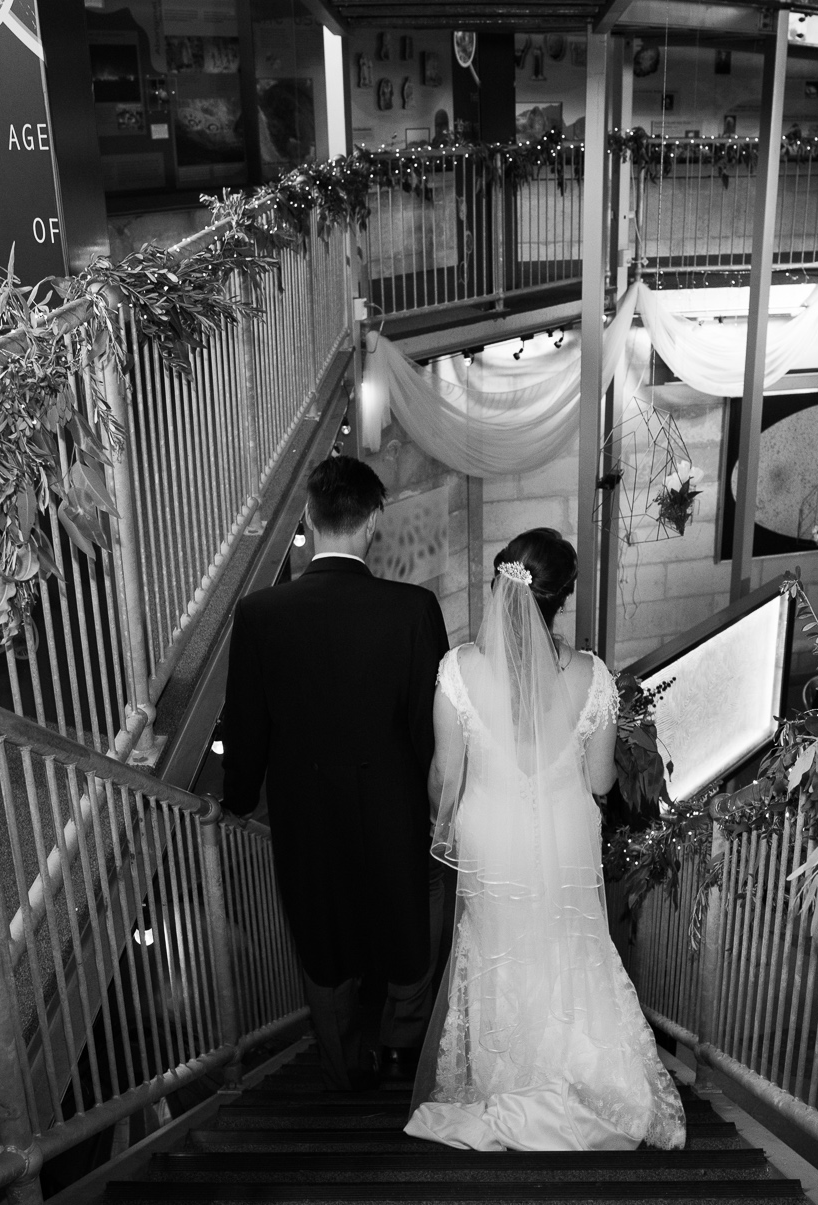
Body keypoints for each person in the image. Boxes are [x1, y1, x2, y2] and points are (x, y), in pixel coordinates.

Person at [405, 530, 686, 1153]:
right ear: (564, 597)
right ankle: (579, 1076)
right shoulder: (592, 675)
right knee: (566, 946)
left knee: (499, 949)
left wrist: (444, 818)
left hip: (489, 833)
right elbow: (599, 779)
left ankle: (504, 1079)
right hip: (563, 829)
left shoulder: (457, 670)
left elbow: (442, 777)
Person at [221, 457, 449, 1091]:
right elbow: (429, 724)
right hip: (394, 803)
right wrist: (436, 805)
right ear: (374, 521)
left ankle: (345, 1065)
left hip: (305, 809)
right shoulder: (414, 609)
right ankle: (404, 1044)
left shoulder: (260, 614)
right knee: (412, 911)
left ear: (307, 518)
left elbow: (248, 726)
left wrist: (237, 798)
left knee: (321, 931)